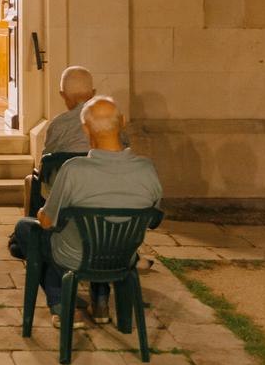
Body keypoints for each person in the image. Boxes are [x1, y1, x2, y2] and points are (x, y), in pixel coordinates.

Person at [11, 96, 162, 327]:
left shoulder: (73, 171)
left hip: (75, 257)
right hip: (122, 256)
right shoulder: (147, 170)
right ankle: (100, 301)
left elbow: (47, 221)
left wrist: (44, 212)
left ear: (84, 129)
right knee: (95, 236)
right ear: (122, 122)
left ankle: (61, 304)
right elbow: (152, 219)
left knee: (27, 229)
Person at [43, 66, 95, 156]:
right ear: (93, 93)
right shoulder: (111, 120)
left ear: (63, 95)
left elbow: (47, 158)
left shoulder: (58, 124)